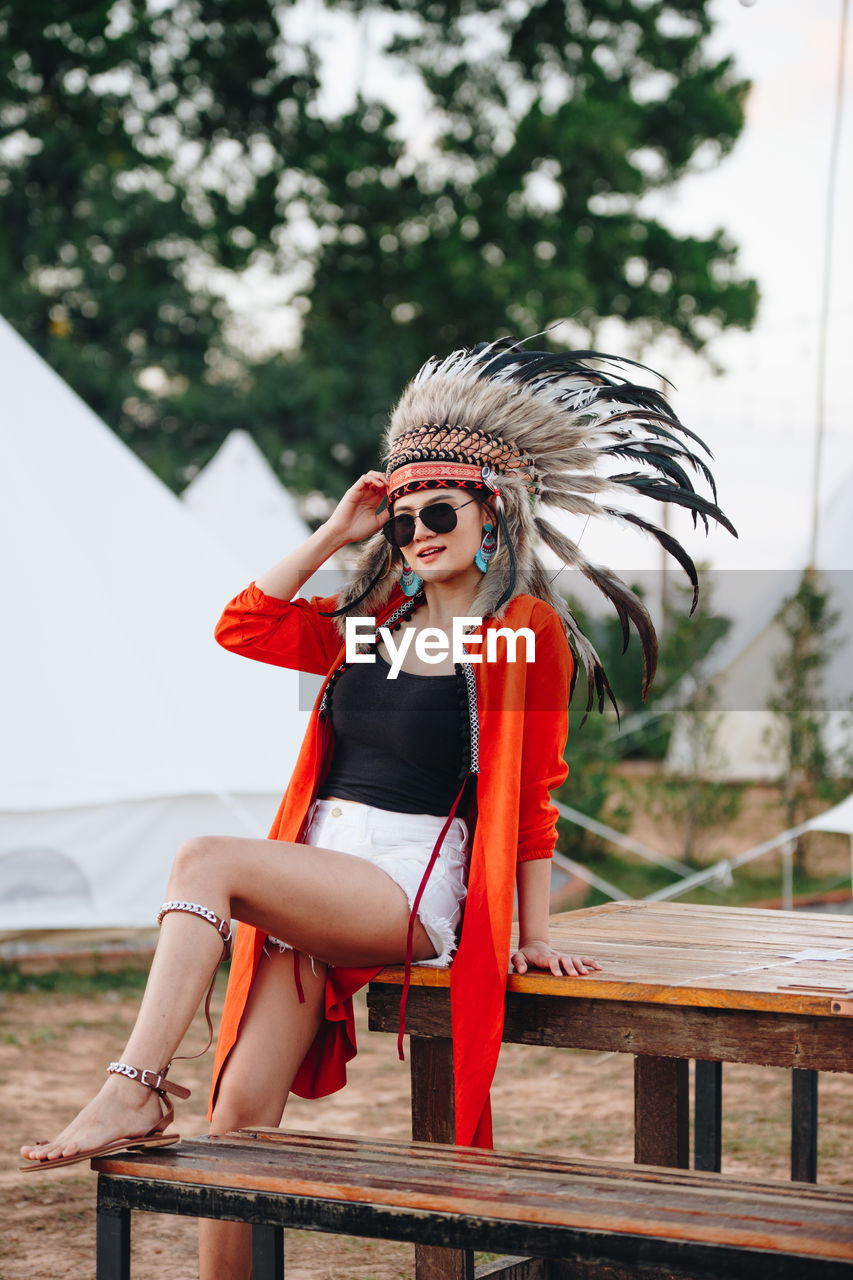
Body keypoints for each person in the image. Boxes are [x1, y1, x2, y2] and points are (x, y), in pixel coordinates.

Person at [20, 339, 734, 1279]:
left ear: (495, 514)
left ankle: (132, 1087)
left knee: (204, 859)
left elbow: (531, 798)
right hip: (311, 889)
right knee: (236, 1114)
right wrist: (336, 533)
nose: (419, 533)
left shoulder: (519, 634)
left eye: (439, 511)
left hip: (402, 890)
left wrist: (532, 928)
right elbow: (243, 625)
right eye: (402, 522)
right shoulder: (371, 622)